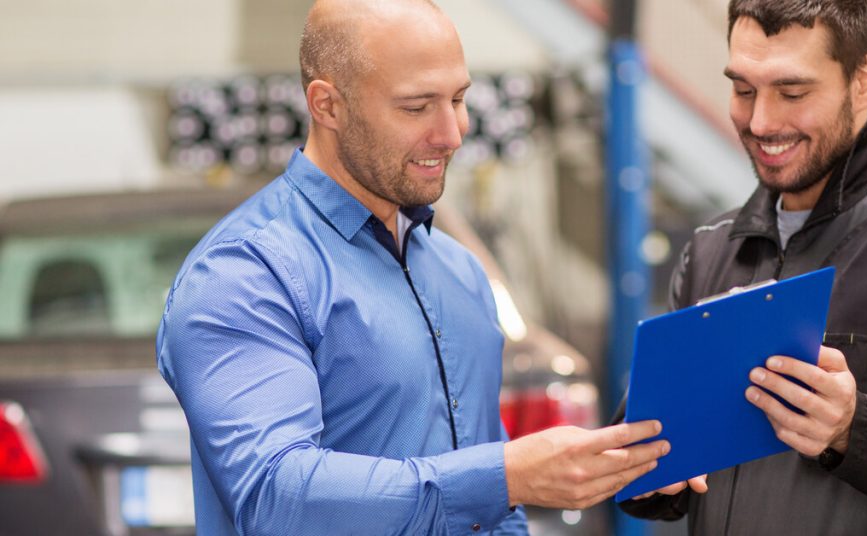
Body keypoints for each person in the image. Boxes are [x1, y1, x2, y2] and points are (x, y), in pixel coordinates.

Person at [157, 1, 670, 534]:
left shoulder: (461, 273)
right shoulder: (244, 274)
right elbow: (275, 498)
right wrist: (503, 476)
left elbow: (493, 511)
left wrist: (510, 483)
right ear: (327, 105)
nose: (451, 134)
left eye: (458, 99)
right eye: (416, 106)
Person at [619, 0, 867, 534]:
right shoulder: (711, 249)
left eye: (792, 93)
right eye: (743, 90)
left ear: (864, 81)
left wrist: (856, 431)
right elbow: (651, 456)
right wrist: (644, 470)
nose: (760, 121)